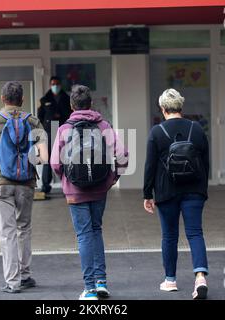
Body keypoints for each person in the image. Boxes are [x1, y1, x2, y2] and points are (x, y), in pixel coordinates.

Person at [51, 85, 128, 300]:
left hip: (75, 191)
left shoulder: (65, 129)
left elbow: (55, 163)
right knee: (96, 230)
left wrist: (68, 180)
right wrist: (113, 178)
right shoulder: (103, 125)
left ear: (71, 105)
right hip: (99, 188)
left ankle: (90, 289)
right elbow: (123, 155)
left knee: (84, 235)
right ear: (91, 104)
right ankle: (101, 282)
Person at [0, 81, 47, 294]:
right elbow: (44, 157)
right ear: (22, 100)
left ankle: (12, 282)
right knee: (23, 228)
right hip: (26, 183)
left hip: (0, 183)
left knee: (7, 232)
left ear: (2, 99)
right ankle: (25, 276)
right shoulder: (33, 121)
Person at [143, 88, 210, 300]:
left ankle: (170, 280)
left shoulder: (156, 132)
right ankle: (200, 277)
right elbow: (205, 162)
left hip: (166, 191)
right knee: (195, 233)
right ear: (181, 107)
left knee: (169, 236)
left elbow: (150, 166)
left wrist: (147, 194)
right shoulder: (197, 129)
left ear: (163, 109)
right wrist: (202, 189)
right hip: (194, 190)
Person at [38, 76, 72, 194]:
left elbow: (71, 114)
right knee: (47, 159)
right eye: (53, 84)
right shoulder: (44, 99)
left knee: (64, 159)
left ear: (60, 85)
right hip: (49, 131)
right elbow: (40, 116)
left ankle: (66, 186)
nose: (55, 86)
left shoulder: (67, 99)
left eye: (57, 84)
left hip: (63, 130)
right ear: (50, 85)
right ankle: (45, 186)